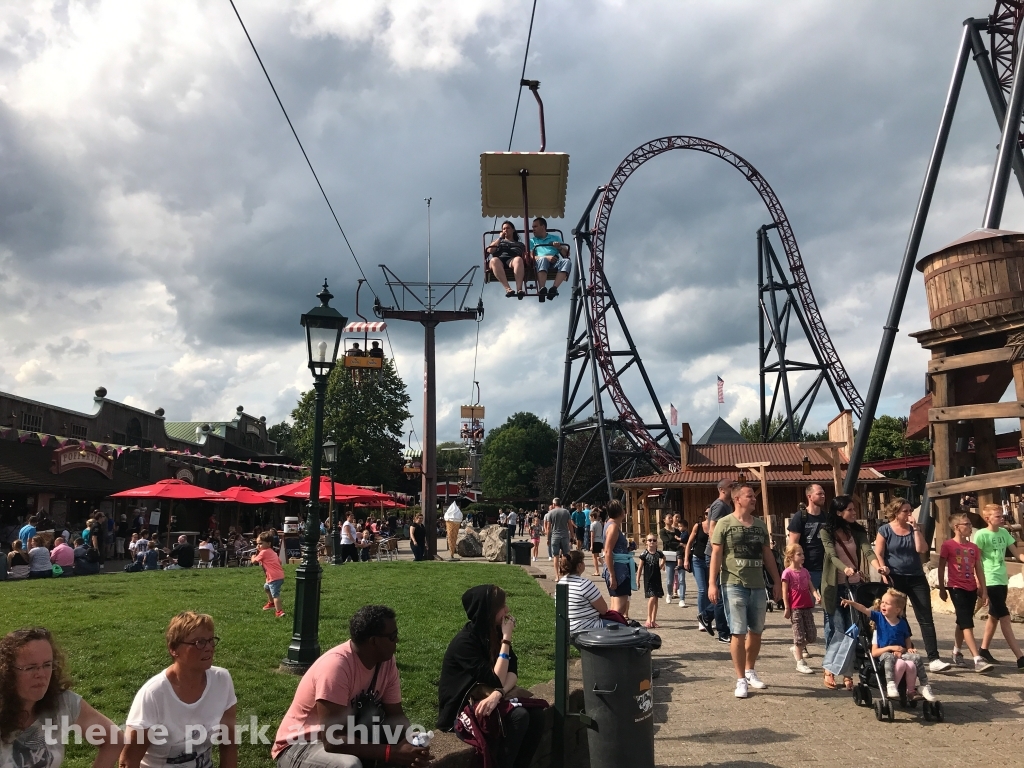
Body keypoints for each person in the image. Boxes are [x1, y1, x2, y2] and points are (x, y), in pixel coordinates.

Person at [273, 605, 429, 768]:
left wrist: (411, 744)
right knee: (349, 765)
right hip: (301, 745)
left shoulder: (387, 663)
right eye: (392, 636)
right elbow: (333, 740)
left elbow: (396, 716)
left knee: (406, 757)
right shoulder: (336, 667)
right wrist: (392, 752)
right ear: (374, 641)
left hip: (351, 735)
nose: (397, 640)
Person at [437, 586, 544, 768]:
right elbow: (497, 679)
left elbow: (512, 672)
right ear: (488, 611)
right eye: (502, 606)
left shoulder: (493, 632)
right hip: (461, 709)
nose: (507, 610)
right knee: (519, 716)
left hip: (489, 697)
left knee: (536, 715)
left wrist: (499, 694)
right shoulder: (465, 643)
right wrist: (507, 640)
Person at [122, 612, 238, 768]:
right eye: (199, 642)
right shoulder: (154, 694)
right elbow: (128, 761)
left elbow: (229, 744)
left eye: (211, 640)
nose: (209, 648)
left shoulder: (221, 680)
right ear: (173, 649)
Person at [0, 627, 122, 768]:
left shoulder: (63, 703)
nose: (40, 674)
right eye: (30, 667)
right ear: (7, 671)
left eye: (47, 665)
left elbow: (114, 738)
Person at [708, 483, 782, 698]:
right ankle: (740, 679)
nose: (754, 499)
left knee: (756, 631)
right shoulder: (724, 523)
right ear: (737, 499)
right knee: (738, 632)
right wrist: (712, 583)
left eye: (754, 496)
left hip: (758, 584)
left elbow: (768, 556)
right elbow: (716, 555)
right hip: (733, 583)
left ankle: (750, 670)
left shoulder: (760, 525)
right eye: (750, 496)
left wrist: (776, 582)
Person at [874, 497, 949, 672]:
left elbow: (922, 549)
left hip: (916, 576)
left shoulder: (914, 529)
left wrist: (915, 529)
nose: (909, 514)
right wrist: (882, 569)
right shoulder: (885, 530)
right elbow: (878, 552)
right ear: (896, 513)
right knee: (897, 617)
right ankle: (902, 651)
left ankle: (934, 657)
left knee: (926, 617)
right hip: (895, 577)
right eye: (905, 511)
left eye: (910, 510)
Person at [820, 495, 876, 691]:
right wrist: (845, 569)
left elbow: (868, 551)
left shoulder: (857, 531)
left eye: (854, 509)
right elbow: (832, 555)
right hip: (834, 587)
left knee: (854, 630)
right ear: (838, 512)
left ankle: (847, 672)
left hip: (854, 586)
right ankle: (830, 669)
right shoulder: (826, 532)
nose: (854, 513)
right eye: (850, 510)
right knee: (838, 629)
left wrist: (880, 566)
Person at [843, 588, 937, 702]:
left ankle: (919, 688)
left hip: (900, 653)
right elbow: (864, 609)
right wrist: (851, 603)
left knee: (914, 660)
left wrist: (909, 648)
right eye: (882, 602)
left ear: (897, 609)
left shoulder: (902, 623)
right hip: (885, 655)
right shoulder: (879, 618)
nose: (882, 604)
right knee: (897, 661)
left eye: (887, 603)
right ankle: (891, 686)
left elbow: (907, 637)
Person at [938, 513, 992, 673]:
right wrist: (942, 588)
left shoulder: (973, 547)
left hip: (971, 588)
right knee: (967, 622)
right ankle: (977, 659)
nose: (970, 527)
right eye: (966, 524)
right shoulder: (947, 545)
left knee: (962, 621)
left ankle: (956, 651)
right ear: (957, 527)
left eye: (970, 524)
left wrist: (984, 590)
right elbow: (941, 568)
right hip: (956, 588)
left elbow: (979, 569)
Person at [973, 503, 1024, 667]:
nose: (1001, 518)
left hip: (1002, 580)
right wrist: (979, 583)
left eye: (1001, 515)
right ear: (987, 518)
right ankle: (1020, 657)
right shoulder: (981, 535)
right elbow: (976, 560)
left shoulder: (1004, 533)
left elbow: (1017, 554)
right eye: (997, 516)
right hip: (990, 580)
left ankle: (984, 650)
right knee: (1005, 617)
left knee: (994, 616)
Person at [788, 484, 828, 638]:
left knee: (828, 608)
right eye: (819, 493)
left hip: (825, 569)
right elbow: (793, 544)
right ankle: (801, 642)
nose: (823, 496)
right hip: (806, 570)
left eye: (823, 493)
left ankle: (830, 641)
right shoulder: (800, 517)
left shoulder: (826, 517)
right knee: (802, 609)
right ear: (810, 497)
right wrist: (794, 569)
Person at [781, 542, 820, 675]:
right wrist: (787, 608)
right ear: (791, 556)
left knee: (812, 635)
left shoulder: (805, 571)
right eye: (799, 554)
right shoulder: (787, 573)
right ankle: (800, 662)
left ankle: (796, 648)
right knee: (798, 636)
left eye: (803, 553)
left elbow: (811, 587)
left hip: (807, 607)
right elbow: (784, 591)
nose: (803, 556)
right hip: (795, 608)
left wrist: (816, 595)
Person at [704, 479, 734, 643]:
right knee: (720, 595)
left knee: (723, 592)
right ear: (722, 489)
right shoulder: (720, 505)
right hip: (715, 554)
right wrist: (718, 550)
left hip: (723, 554)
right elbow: (712, 528)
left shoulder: (728, 506)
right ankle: (723, 632)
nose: (733, 488)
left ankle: (706, 615)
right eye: (731, 486)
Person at [559, 551, 612, 635]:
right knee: (623, 629)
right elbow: (604, 610)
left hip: (565, 626)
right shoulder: (584, 584)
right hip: (585, 627)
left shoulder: (560, 582)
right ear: (579, 566)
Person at [601, 501, 633, 618]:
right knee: (619, 609)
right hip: (618, 570)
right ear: (621, 512)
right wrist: (612, 576)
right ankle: (611, 631)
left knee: (618, 606)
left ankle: (614, 629)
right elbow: (608, 551)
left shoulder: (608, 523)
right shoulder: (613, 526)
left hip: (618, 568)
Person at [530, 218, 570, 302]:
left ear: (543, 227)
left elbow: (566, 254)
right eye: (532, 227)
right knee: (543, 260)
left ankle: (554, 288)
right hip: (540, 261)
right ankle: (542, 288)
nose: (533, 229)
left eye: (535, 226)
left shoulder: (555, 238)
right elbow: (530, 256)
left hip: (555, 261)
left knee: (566, 261)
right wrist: (545, 257)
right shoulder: (532, 241)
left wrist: (559, 247)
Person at [486, 220, 527, 299]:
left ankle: (519, 289)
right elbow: (490, 250)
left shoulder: (519, 244)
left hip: (512, 260)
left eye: (507, 228)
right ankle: (508, 289)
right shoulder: (498, 242)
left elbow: (524, 255)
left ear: (513, 230)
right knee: (494, 260)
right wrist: (500, 238)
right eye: (504, 229)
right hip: (499, 260)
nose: (505, 230)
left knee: (518, 259)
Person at [685, 509, 711, 632]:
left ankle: (707, 617)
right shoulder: (698, 526)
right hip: (697, 560)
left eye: (710, 513)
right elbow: (689, 543)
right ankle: (701, 618)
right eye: (706, 513)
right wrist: (686, 559)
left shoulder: (716, 526)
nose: (707, 515)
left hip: (710, 561)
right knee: (702, 589)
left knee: (709, 590)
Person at [252, 533, 286, 618]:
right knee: (266, 588)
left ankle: (279, 611)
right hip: (279, 576)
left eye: (260, 543)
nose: (258, 546)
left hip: (274, 577)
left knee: (275, 594)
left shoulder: (264, 552)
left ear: (269, 543)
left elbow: (254, 562)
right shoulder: (272, 552)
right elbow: (280, 562)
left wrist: (252, 557)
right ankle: (271, 603)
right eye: (257, 544)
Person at [636, 534, 665, 629]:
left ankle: (653, 620)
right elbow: (640, 567)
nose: (652, 542)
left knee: (656, 599)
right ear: (646, 542)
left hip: (657, 578)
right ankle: (648, 618)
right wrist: (638, 579)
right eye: (650, 540)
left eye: (654, 540)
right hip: (648, 579)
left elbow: (664, 557)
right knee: (652, 597)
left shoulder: (658, 553)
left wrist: (662, 565)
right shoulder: (644, 554)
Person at [545, 499, 572, 579]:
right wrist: (573, 536)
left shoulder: (551, 513)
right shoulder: (566, 512)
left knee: (556, 556)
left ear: (554, 504)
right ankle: (565, 573)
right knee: (565, 555)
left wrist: (548, 538)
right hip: (564, 536)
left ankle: (557, 576)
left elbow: (548, 527)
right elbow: (570, 525)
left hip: (555, 536)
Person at [659, 516, 681, 606]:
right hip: (669, 556)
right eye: (669, 518)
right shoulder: (662, 531)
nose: (671, 519)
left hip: (679, 555)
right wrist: (680, 544)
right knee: (669, 579)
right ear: (664, 520)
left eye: (672, 518)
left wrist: (681, 545)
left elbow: (682, 538)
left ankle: (680, 592)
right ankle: (669, 593)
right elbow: (668, 542)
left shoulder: (677, 531)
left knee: (680, 578)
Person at [589, 509, 604, 576]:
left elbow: (592, 535)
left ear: (593, 517)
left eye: (590, 517)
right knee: (597, 556)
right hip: (600, 540)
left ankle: (597, 571)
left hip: (595, 541)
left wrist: (591, 545)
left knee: (595, 557)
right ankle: (604, 565)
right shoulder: (600, 524)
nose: (589, 518)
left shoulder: (592, 525)